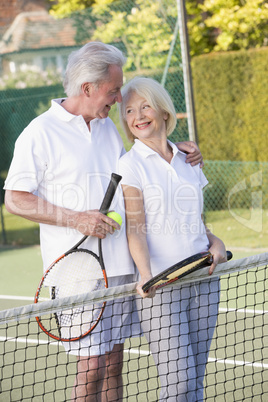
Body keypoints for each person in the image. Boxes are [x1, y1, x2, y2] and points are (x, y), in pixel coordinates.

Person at [4, 42, 203, 401]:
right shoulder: (40, 131)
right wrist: (76, 219)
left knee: (113, 362)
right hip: (77, 273)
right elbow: (15, 199)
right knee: (91, 365)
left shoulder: (108, 127)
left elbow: (141, 166)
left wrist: (177, 148)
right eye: (113, 91)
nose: (117, 98)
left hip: (122, 268)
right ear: (88, 88)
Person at [118, 76, 227, 401]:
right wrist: (147, 275)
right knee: (178, 384)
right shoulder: (130, 165)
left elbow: (195, 220)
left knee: (194, 382)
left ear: (164, 111)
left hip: (204, 280)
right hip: (160, 288)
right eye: (129, 110)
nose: (137, 115)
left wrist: (216, 242)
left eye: (145, 106)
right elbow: (135, 227)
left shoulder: (188, 160)